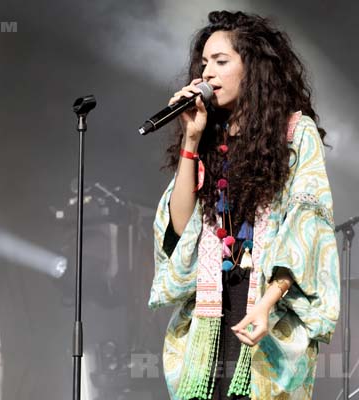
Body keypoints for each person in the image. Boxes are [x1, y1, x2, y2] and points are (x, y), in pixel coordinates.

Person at [148, 11, 340, 400]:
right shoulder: (207, 136)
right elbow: (179, 227)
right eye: (204, 64)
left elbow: (308, 225)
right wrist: (191, 138)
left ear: (252, 68)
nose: (208, 74)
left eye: (221, 62)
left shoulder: (293, 133)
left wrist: (267, 304)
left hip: (267, 309)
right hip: (210, 312)